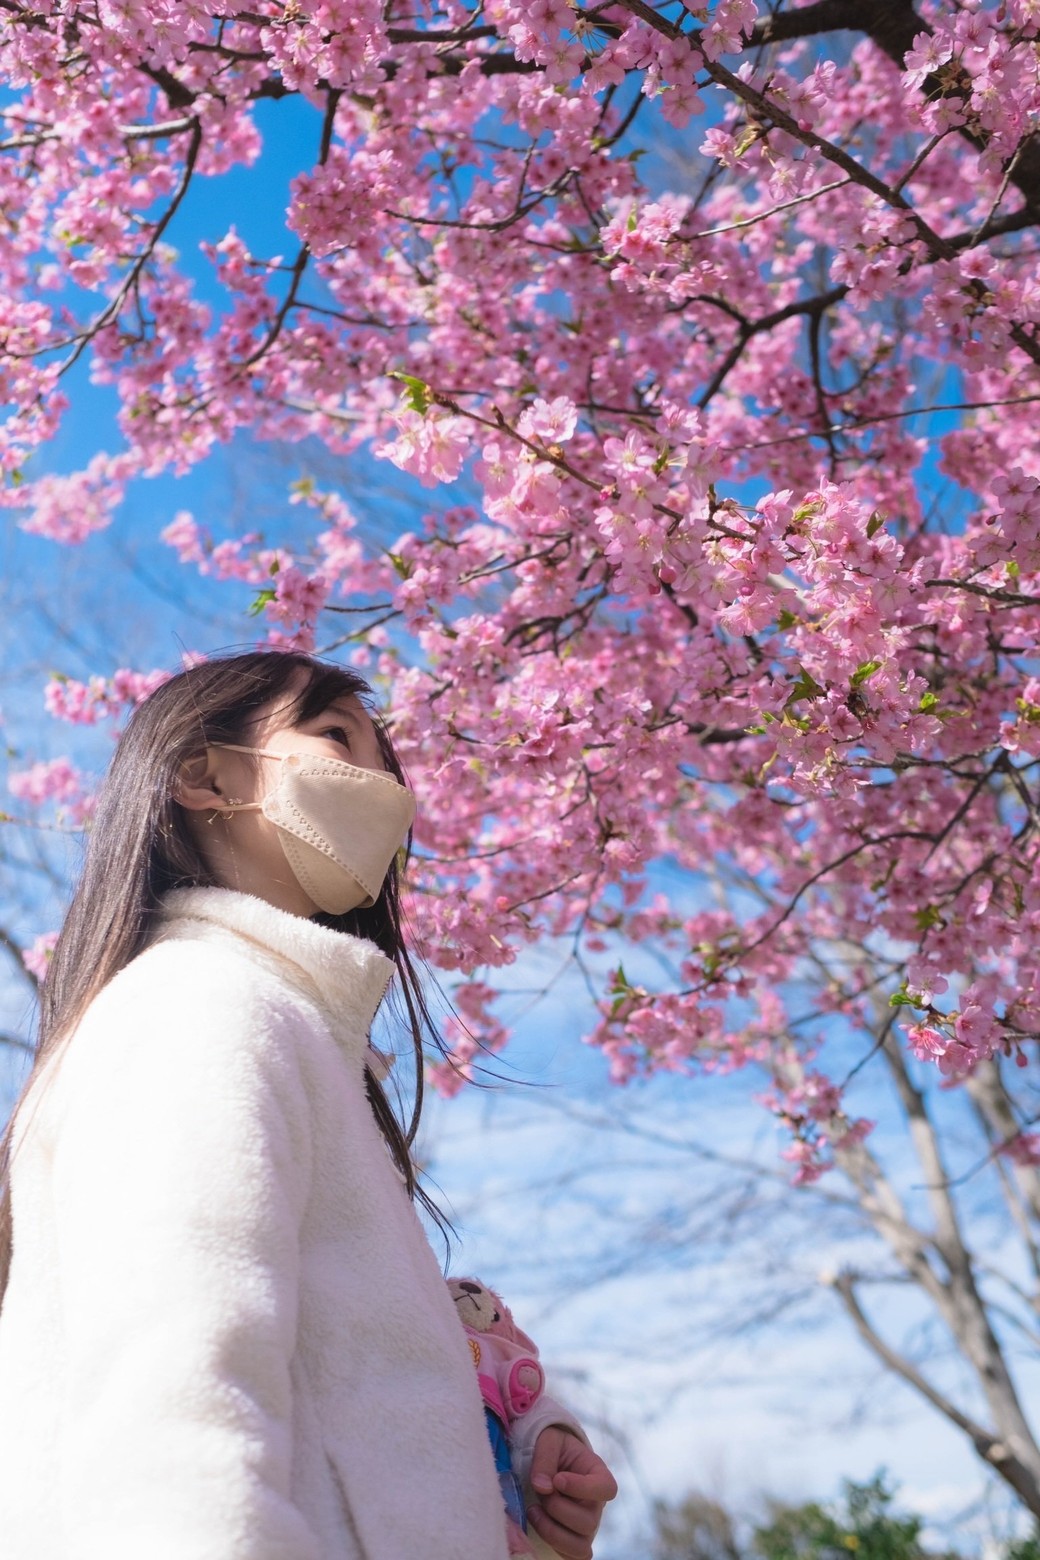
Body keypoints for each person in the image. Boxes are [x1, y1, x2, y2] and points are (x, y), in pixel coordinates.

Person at [0, 650, 617, 1560]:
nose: (384, 789)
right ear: (205, 779)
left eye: (383, 759)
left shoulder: (285, 1032)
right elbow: (171, 1416)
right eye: (335, 736)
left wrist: (509, 1458)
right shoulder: (200, 1004)